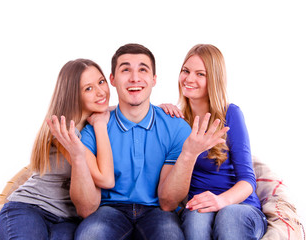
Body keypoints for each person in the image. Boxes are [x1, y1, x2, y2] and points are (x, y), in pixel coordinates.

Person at [50, 43, 228, 240]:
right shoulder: (93, 128)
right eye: (125, 69)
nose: (135, 78)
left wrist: (188, 154)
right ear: (113, 80)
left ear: (153, 80)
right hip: (108, 210)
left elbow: (168, 203)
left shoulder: (177, 128)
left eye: (142, 69)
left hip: (157, 212)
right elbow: (85, 209)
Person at [0, 59, 114, 240]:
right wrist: (100, 125)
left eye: (101, 81)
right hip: (31, 208)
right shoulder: (63, 130)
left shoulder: (95, 120)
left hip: (67, 220)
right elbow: (105, 179)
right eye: (88, 89)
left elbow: (133, 111)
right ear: (73, 95)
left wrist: (162, 110)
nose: (100, 92)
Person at [161, 44, 267, 239]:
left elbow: (248, 180)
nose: (189, 79)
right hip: (199, 205)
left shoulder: (231, 114)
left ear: (214, 79)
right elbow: (128, 111)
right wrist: (155, 111)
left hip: (240, 206)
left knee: (229, 217)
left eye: (200, 74)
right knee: (195, 223)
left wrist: (221, 201)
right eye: (186, 71)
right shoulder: (174, 120)